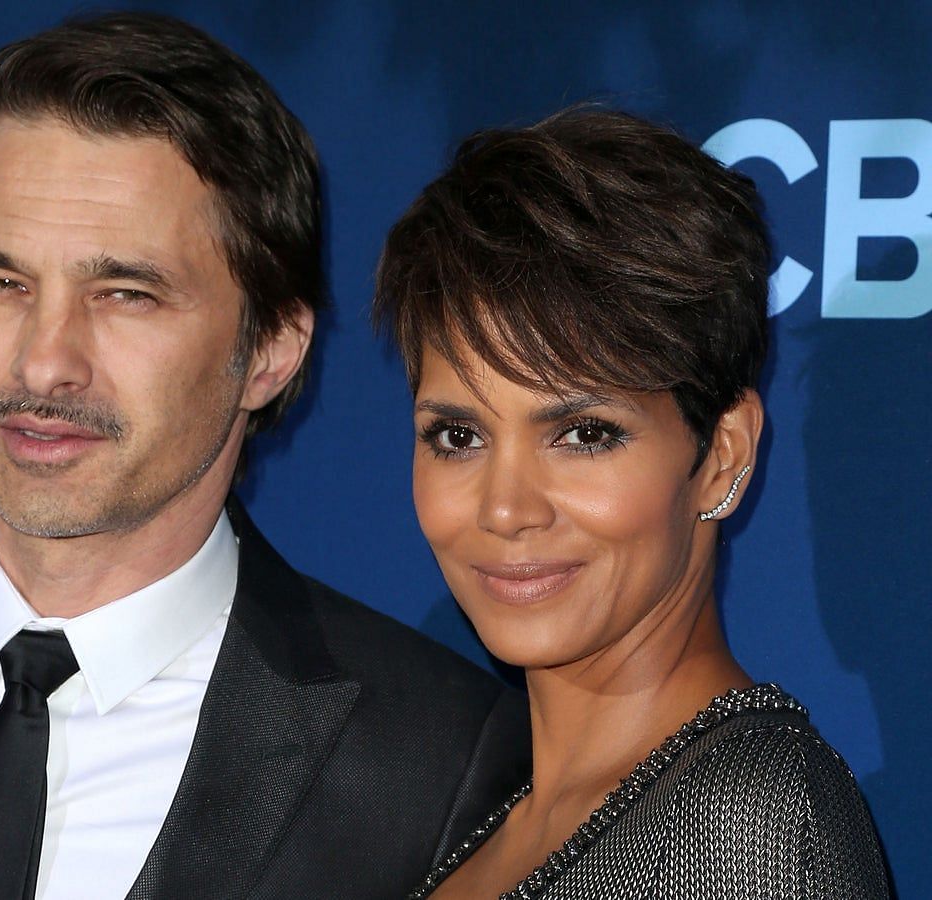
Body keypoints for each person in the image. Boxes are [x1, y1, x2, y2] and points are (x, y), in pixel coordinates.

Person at [0, 13, 529, 900]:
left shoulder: (436, 764)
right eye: (2, 283)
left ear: (270, 349)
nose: (44, 362)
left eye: (125, 295)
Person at [373, 107, 891, 899]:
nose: (506, 509)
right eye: (457, 437)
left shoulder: (743, 831)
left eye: (583, 434)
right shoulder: (512, 820)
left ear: (721, 457)